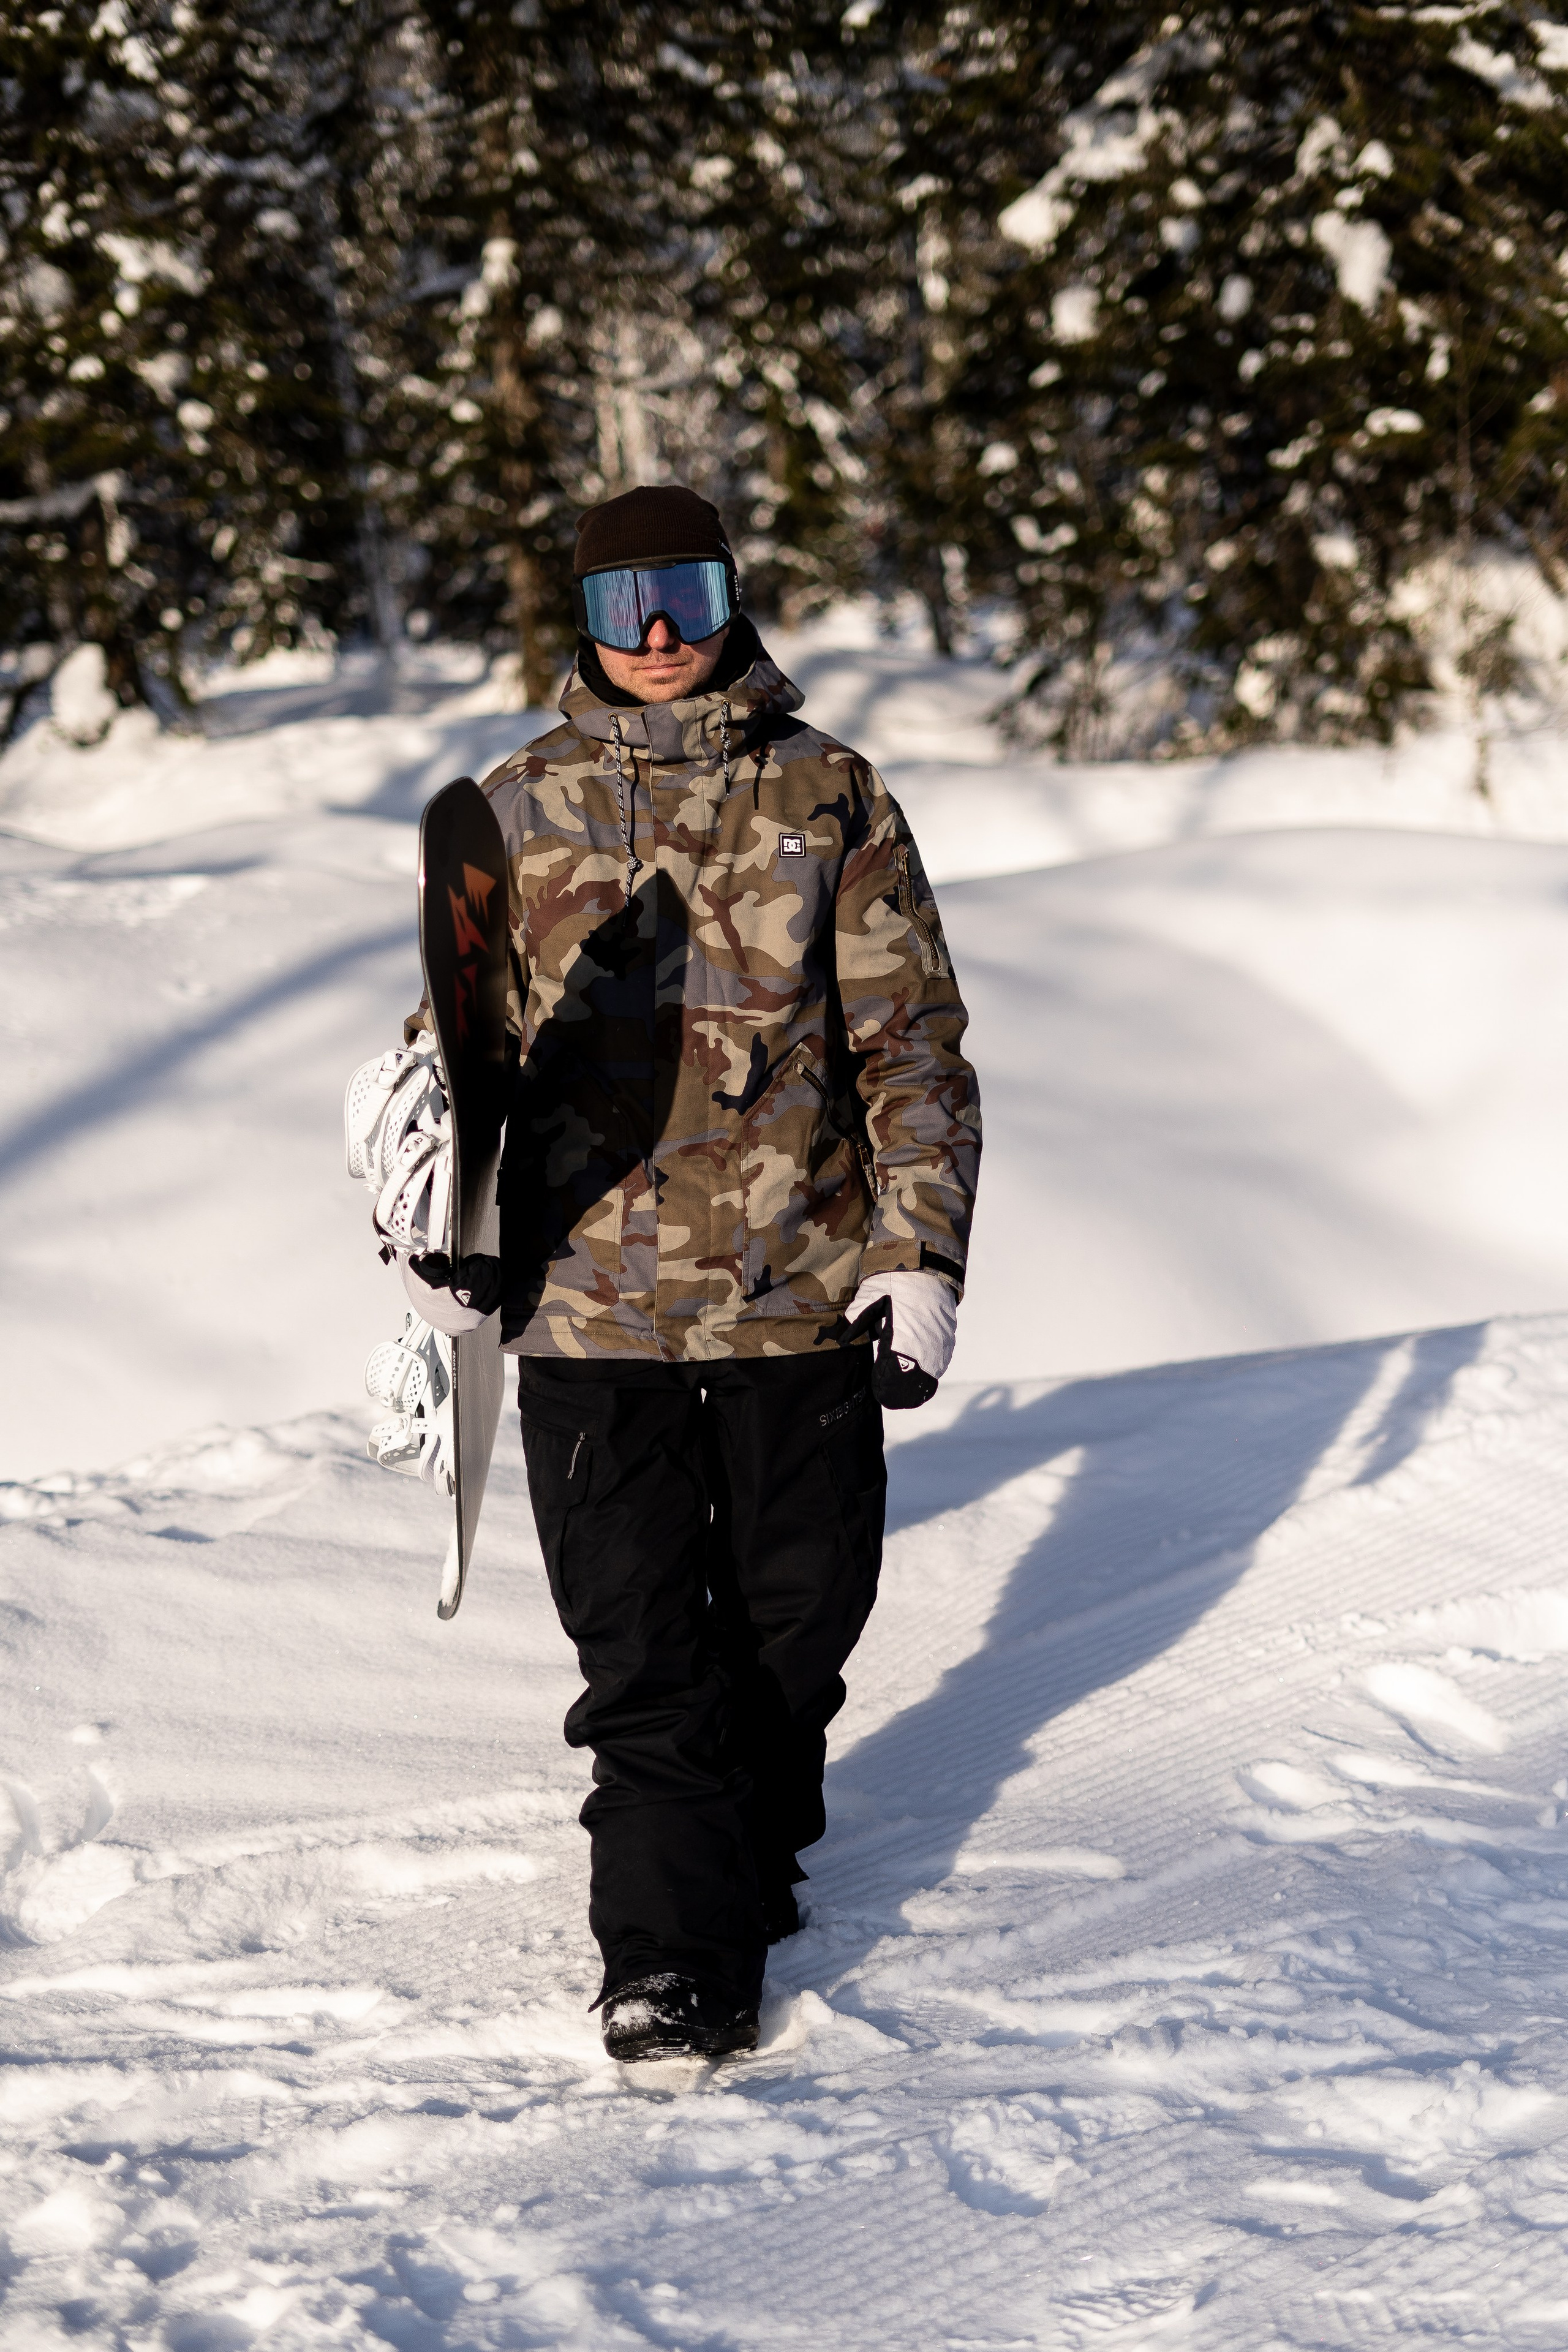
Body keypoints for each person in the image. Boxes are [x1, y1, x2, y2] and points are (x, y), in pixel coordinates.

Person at [404, 483, 979, 2061]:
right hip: (588, 1314)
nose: (653, 631)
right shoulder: (518, 811)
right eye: (616, 601)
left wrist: (916, 1253)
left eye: (683, 590)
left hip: (799, 1298)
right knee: (645, 1649)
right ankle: (668, 1957)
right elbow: (449, 1062)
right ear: (579, 619)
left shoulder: (832, 794)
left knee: (800, 1623)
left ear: (733, 592)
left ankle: (745, 1844)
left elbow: (910, 1045)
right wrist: (438, 1233)